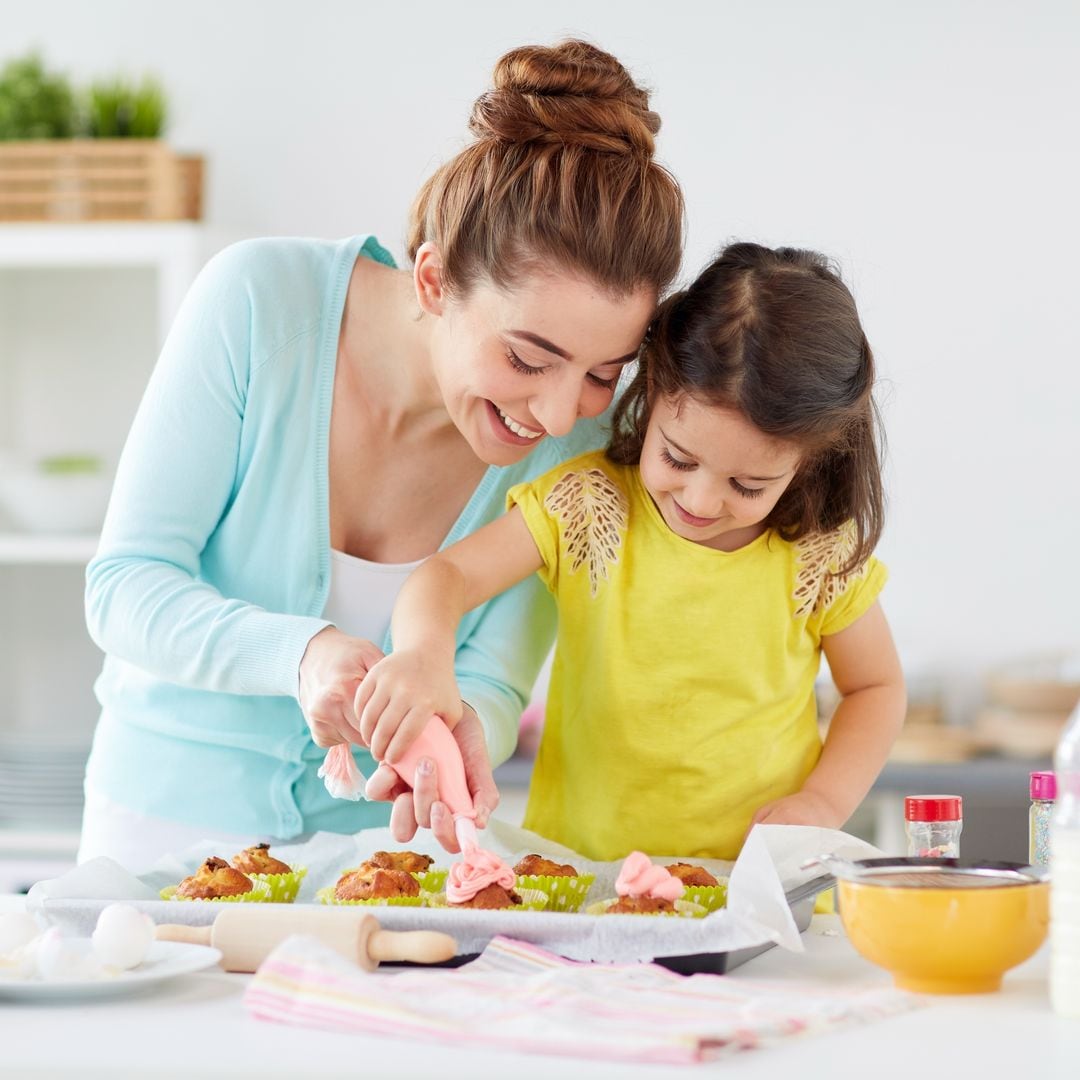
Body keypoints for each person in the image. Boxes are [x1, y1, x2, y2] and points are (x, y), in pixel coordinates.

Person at [78, 39, 684, 870]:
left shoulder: (580, 447)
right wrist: (301, 654)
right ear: (434, 281)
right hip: (160, 826)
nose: (554, 412)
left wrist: (457, 721)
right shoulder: (258, 305)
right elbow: (125, 588)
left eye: (600, 374)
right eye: (527, 358)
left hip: (378, 862)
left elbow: (497, 679)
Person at [355, 242, 907, 861]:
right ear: (652, 393)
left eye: (748, 485)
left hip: (748, 887)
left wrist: (824, 804)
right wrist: (425, 656)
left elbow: (876, 689)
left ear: (810, 461)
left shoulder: (817, 555)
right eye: (677, 456)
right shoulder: (590, 506)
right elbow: (445, 576)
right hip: (583, 878)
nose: (700, 499)